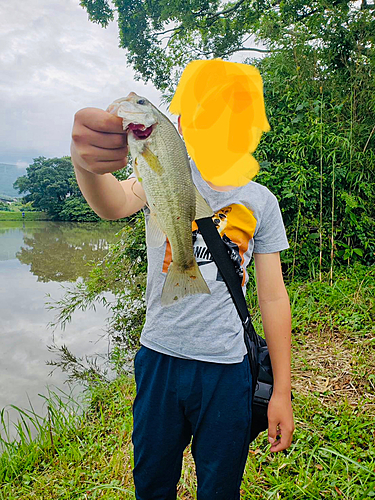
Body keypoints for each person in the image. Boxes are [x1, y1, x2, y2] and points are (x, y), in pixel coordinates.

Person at [71, 106, 294, 500]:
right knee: (152, 483)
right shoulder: (159, 171)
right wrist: (86, 164)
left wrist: (281, 392)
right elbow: (113, 203)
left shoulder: (261, 201)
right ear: (180, 126)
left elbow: (273, 297)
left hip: (227, 368)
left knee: (220, 486)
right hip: (160, 357)